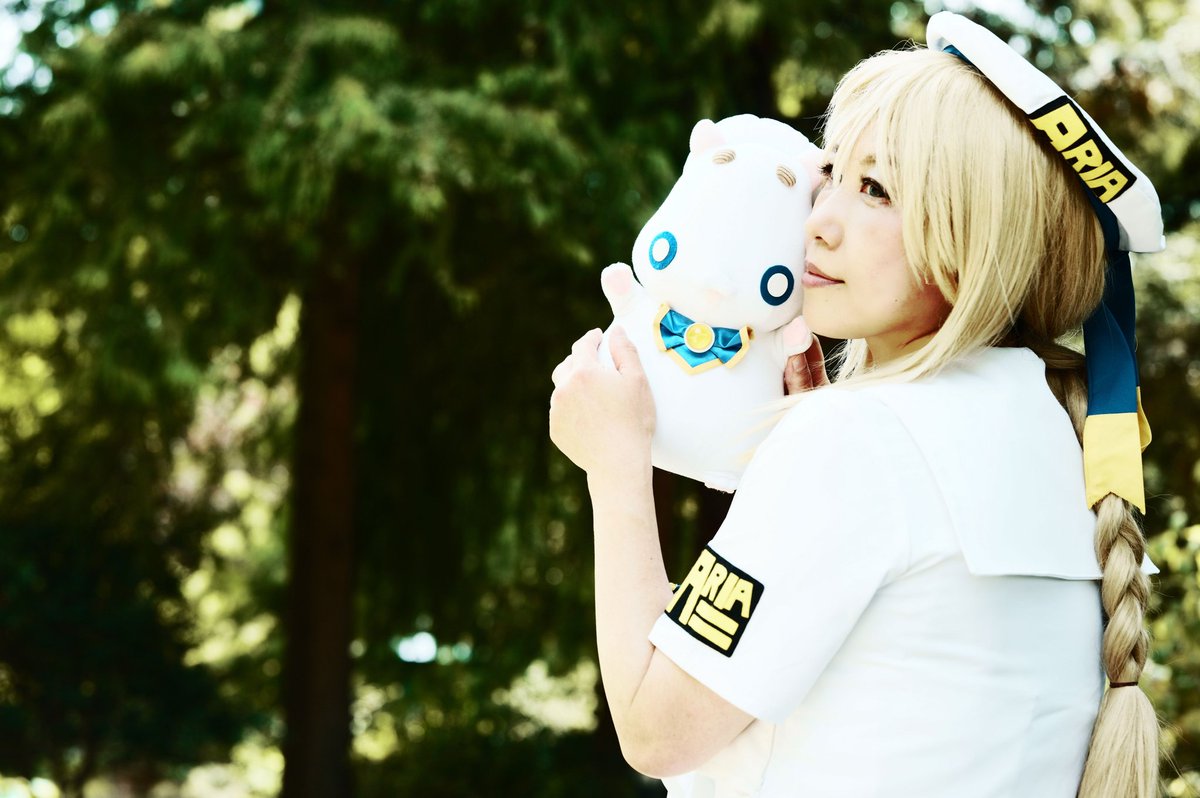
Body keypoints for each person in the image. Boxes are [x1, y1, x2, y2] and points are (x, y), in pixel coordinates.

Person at [548, 12, 1163, 798]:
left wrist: (616, 472)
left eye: (875, 189)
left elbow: (655, 729)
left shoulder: (858, 441)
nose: (820, 221)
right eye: (831, 173)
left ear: (974, 245)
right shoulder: (1053, 427)